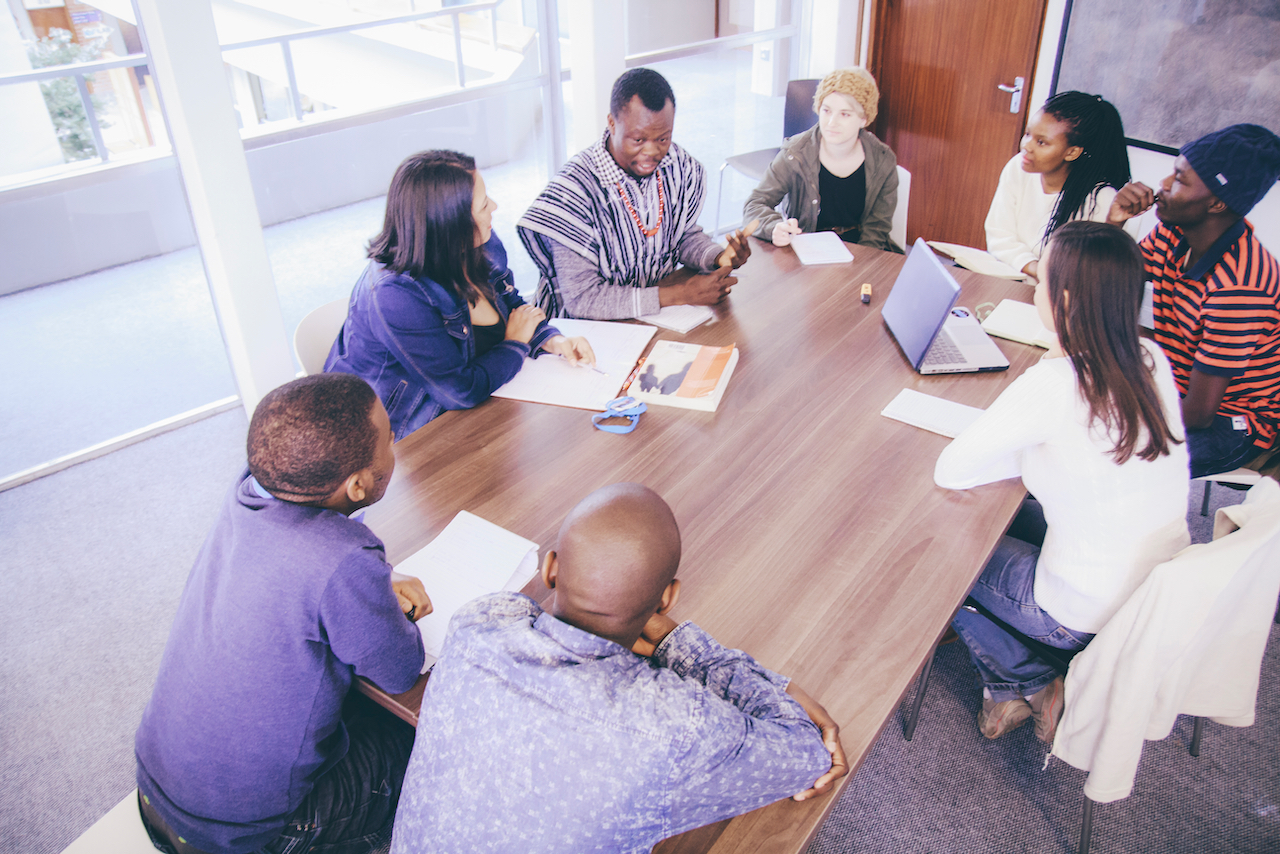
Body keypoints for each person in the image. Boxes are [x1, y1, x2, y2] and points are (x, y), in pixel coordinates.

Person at [391, 482, 846, 853]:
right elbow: (807, 756)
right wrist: (682, 644)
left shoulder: (480, 623)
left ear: (551, 569)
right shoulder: (670, 725)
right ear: (668, 598)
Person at [135, 373, 431, 854]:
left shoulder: (248, 491)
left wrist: (368, 584)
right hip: (248, 833)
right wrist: (378, 596)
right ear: (357, 485)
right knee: (422, 735)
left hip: (157, 789)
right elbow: (399, 670)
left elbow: (301, 571)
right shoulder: (342, 559)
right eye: (391, 437)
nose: (394, 441)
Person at [935, 222, 1190, 743]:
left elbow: (952, 469)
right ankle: (1019, 679)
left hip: (1077, 612)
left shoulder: (1056, 385)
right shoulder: (1150, 357)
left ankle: (1022, 680)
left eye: (1041, 281)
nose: (1033, 290)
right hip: (1153, 592)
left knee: (935, 542)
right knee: (1000, 509)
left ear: (1066, 300)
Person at [325, 150, 595, 440]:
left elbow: (514, 307)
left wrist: (552, 339)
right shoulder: (395, 296)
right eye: (482, 204)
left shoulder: (481, 243)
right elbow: (460, 391)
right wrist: (516, 343)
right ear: (449, 223)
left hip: (478, 411)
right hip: (403, 436)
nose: (494, 206)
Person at [1105, 123, 1280, 478]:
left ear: (1216, 202)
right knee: (1075, 419)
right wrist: (1115, 223)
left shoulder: (1241, 285)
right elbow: (1107, 283)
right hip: (1172, 385)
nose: (1163, 184)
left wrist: (1126, 410)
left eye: (1180, 180)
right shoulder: (1172, 231)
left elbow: (1199, 413)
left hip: (1231, 421)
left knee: (1114, 459)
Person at [518, 68, 754, 319]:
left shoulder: (678, 165)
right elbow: (583, 299)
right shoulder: (574, 192)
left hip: (650, 319)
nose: (652, 152)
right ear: (611, 123)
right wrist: (679, 294)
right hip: (579, 335)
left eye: (663, 139)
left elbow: (681, 235)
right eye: (638, 140)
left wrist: (718, 256)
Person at [744, 67, 902, 252]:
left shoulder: (883, 160)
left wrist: (859, 266)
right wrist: (774, 227)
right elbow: (754, 204)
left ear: (864, 119)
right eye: (826, 110)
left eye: (845, 114)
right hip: (807, 249)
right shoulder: (795, 153)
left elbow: (877, 229)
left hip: (859, 250)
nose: (831, 122)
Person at [985, 91, 1130, 280]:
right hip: (1013, 276)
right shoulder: (1019, 167)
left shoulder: (1102, 199)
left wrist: (1043, 274)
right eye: (1028, 134)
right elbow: (999, 235)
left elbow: (1091, 272)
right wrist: (1036, 269)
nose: (1026, 146)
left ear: (1072, 152)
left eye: (1041, 142)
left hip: (1060, 295)